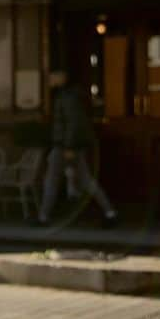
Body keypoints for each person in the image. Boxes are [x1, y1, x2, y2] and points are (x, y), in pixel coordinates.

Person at [37, 69, 119, 227]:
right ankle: (110, 212)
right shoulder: (68, 95)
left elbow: (72, 123)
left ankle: (43, 216)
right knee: (86, 181)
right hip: (68, 145)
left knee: (52, 180)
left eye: (53, 76)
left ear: (62, 77)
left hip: (64, 146)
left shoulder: (67, 97)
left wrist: (69, 146)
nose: (49, 79)